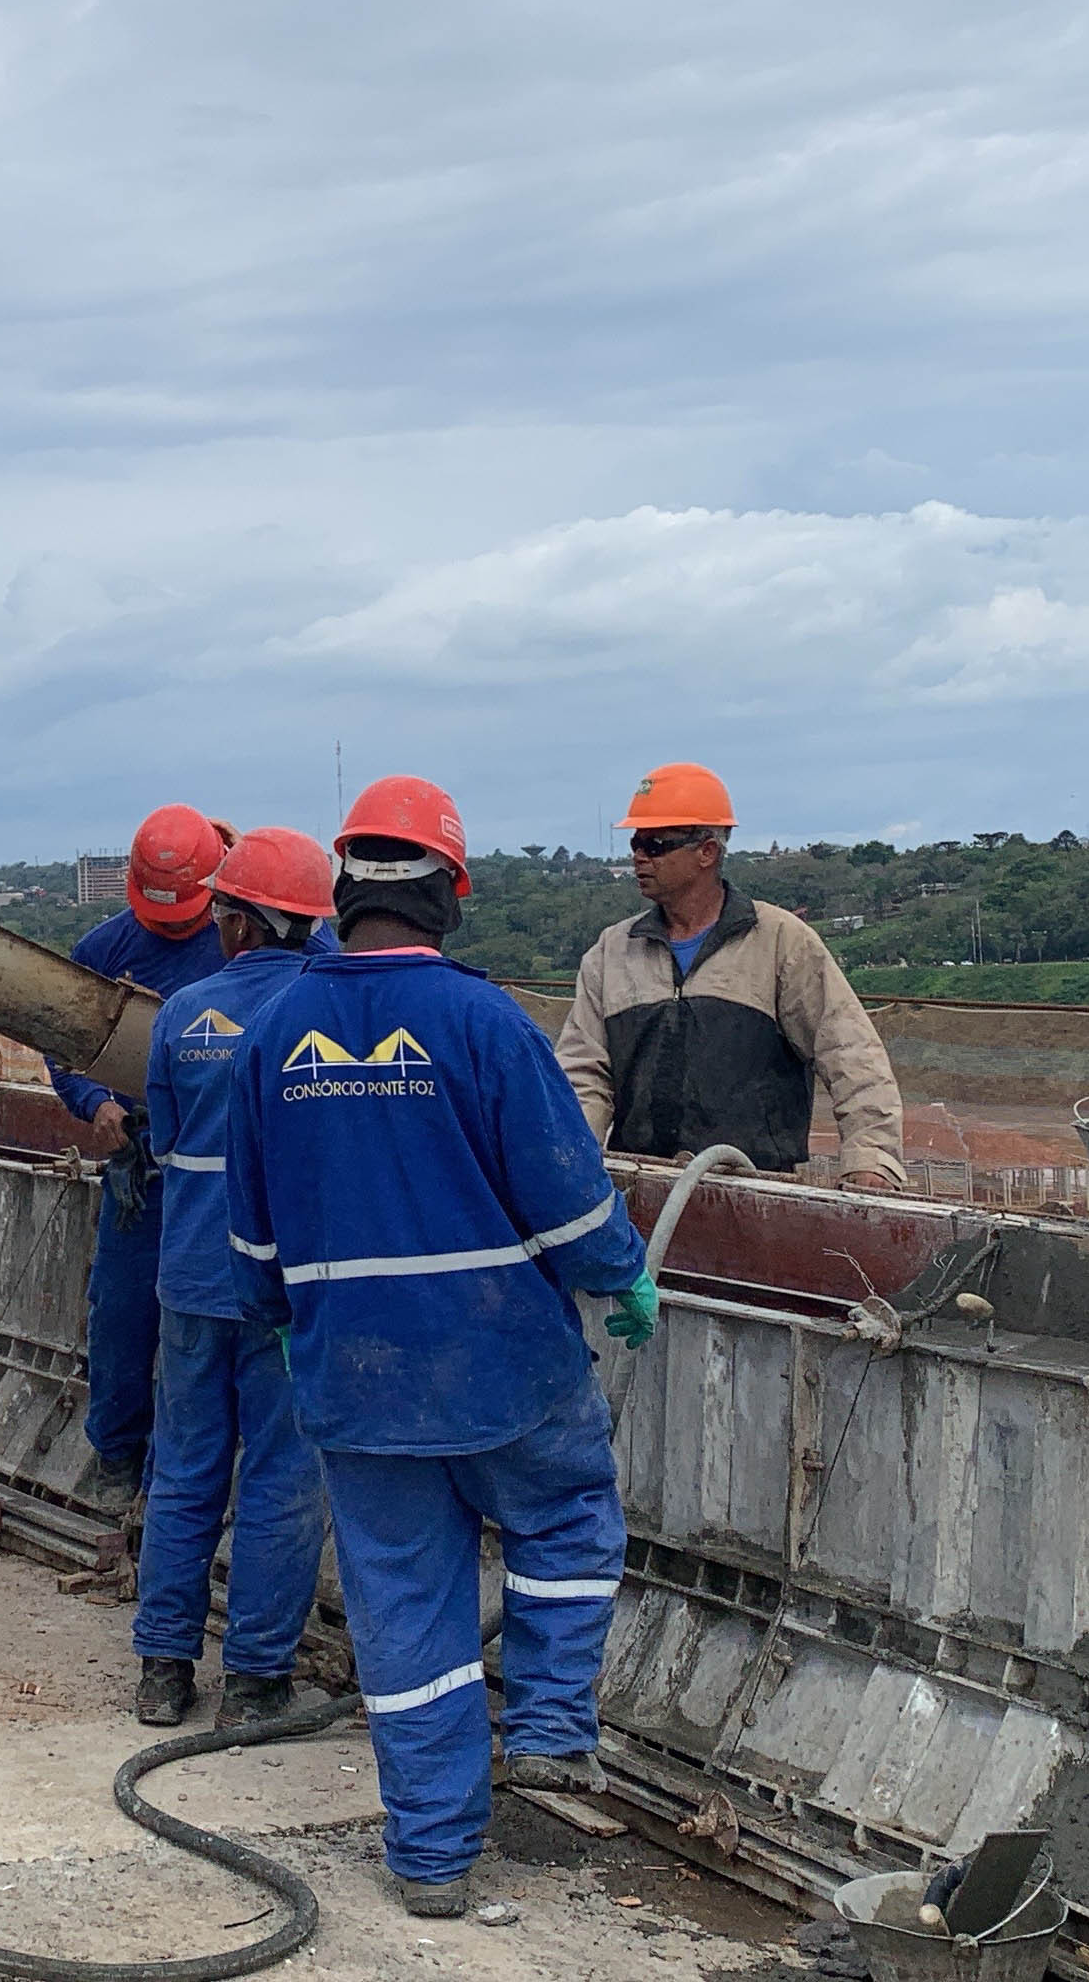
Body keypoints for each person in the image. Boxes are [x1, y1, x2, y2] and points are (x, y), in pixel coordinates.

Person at [223, 776, 655, 1919]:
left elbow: (253, 1239)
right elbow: (566, 1202)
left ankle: (430, 1863)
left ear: (341, 893)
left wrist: (294, 1319)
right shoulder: (483, 1023)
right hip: (500, 1362)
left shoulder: (270, 1040)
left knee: (406, 1614)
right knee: (565, 1517)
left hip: (355, 1384)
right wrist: (623, 1274)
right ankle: (555, 1727)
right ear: (452, 893)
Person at [128, 827, 336, 1732]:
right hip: (291, 1287)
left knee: (184, 1471)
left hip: (193, 1277)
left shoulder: (183, 1015)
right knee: (283, 1478)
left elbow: (166, 1145)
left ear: (244, 921)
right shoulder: (325, 1014)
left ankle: (163, 1670)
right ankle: (255, 1681)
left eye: (220, 909)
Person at [556, 761, 908, 1187]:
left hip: (759, 1192)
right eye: (636, 842)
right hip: (639, 1186)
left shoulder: (780, 942)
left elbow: (851, 1055)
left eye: (656, 844)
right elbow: (583, 1075)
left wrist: (870, 1160)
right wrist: (570, 1164)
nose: (638, 857)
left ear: (707, 851)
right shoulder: (613, 950)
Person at [49, 803, 231, 1503]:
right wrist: (95, 1102)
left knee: (234, 1322)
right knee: (124, 1316)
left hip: (232, 1169)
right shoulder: (103, 953)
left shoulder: (252, 941)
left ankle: (204, 1466)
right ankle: (120, 1458)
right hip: (145, 1167)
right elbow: (63, 1047)